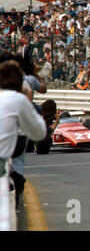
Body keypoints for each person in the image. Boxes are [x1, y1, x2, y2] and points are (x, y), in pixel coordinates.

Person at [0, 60, 46, 203]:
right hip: (17, 141)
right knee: (18, 159)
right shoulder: (20, 98)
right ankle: (16, 181)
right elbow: (39, 133)